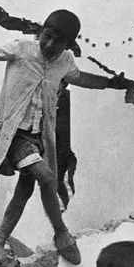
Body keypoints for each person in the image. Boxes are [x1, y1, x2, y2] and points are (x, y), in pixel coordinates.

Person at [0, 10, 133, 267]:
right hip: (14, 135)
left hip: (39, 137)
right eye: (47, 36)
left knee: (24, 191)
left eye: (59, 42)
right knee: (49, 179)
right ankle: (61, 234)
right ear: (41, 31)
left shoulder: (65, 60)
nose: (50, 45)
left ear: (69, 45)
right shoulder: (21, 48)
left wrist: (113, 83)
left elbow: (80, 78)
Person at [56, 79, 78, 210]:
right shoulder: (47, 98)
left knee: (70, 178)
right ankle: (64, 207)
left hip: (70, 145)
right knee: (57, 179)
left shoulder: (69, 97)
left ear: (64, 83)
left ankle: (72, 208)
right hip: (56, 146)